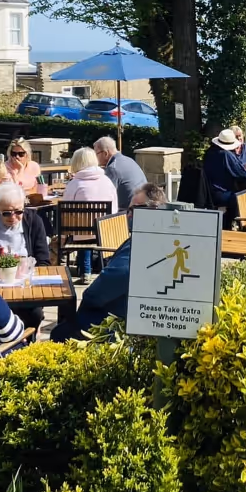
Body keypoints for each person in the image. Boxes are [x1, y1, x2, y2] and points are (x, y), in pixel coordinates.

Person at [50, 183, 166, 341]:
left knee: (59, 334)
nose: (128, 215)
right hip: (127, 319)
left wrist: (88, 296)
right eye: (128, 210)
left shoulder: (142, 243)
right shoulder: (159, 238)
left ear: (153, 212)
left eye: (133, 210)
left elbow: (112, 281)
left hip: (112, 325)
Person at [63, 146, 118, 277]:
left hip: (81, 232)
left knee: (81, 229)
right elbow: (115, 208)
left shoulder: (74, 183)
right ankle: (95, 269)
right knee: (87, 230)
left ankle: (85, 270)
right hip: (105, 230)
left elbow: (65, 210)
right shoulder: (107, 181)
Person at [0, 182, 51, 267]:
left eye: (18, 212)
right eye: (6, 213)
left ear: (23, 206)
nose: (12, 217)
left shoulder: (34, 221)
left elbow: (43, 261)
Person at [202, 129, 246, 227]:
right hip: (222, 193)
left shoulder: (209, 152)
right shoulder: (226, 155)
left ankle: (230, 222)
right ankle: (243, 223)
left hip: (208, 192)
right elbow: (243, 173)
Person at [93, 136, 147, 210]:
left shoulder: (112, 169)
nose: (94, 157)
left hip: (127, 213)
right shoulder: (129, 160)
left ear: (105, 153)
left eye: (96, 154)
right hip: (144, 208)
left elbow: (105, 196)